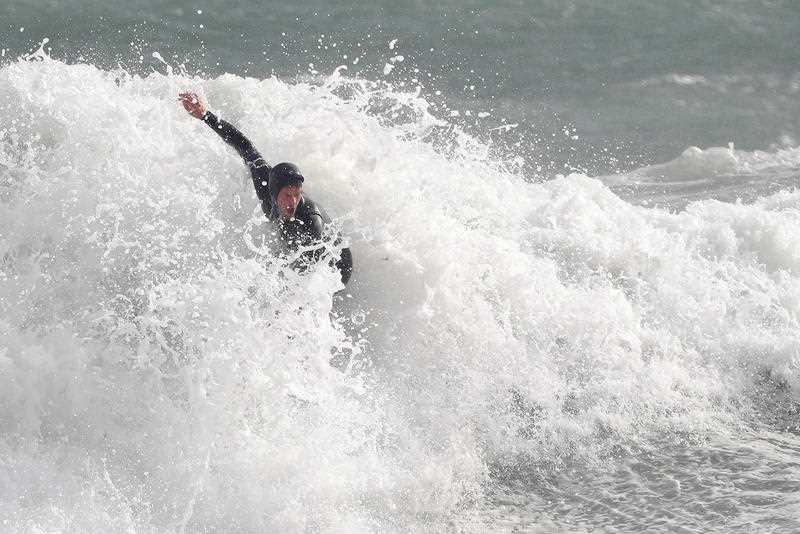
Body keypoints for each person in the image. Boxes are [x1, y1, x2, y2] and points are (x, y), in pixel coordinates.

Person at [178, 92, 352, 285]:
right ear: (274, 191)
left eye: (297, 195)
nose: (292, 202)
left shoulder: (310, 223)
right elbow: (244, 146)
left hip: (337, 268)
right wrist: (205, 115)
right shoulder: (265, 181)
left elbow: (312, 277)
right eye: (287, 195)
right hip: (301, 251)